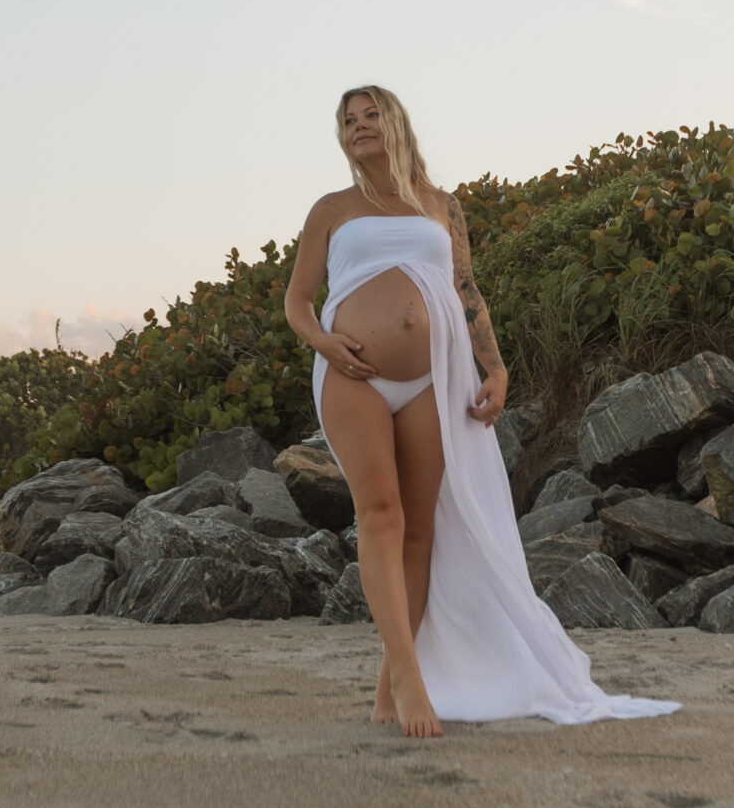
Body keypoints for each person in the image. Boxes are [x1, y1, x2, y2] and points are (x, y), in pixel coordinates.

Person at [283, 85, 680, 737]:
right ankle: (410, 674)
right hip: (353, 374)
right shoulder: (331, 209)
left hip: (434, 379)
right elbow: (299, 300)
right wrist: (323, 339)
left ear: (396, 121)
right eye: (347, 120)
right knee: (380, 512)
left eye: (370, 113)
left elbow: (466, 290)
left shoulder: (443, 206)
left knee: (420, 531)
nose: (358, 126)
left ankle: (390, 685)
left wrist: (495, 366)